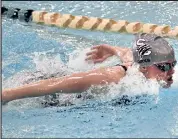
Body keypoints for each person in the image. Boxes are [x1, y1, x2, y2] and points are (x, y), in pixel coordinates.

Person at [2, 33, 177, 104]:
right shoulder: (113, 78)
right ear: (144, 68)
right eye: (164, 67)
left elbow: (126, 52)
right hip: (54, 97)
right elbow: (58, 83)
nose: (171, 72)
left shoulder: (139, 64)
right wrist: (7, 95)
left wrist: (109, 49)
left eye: (173, 64)